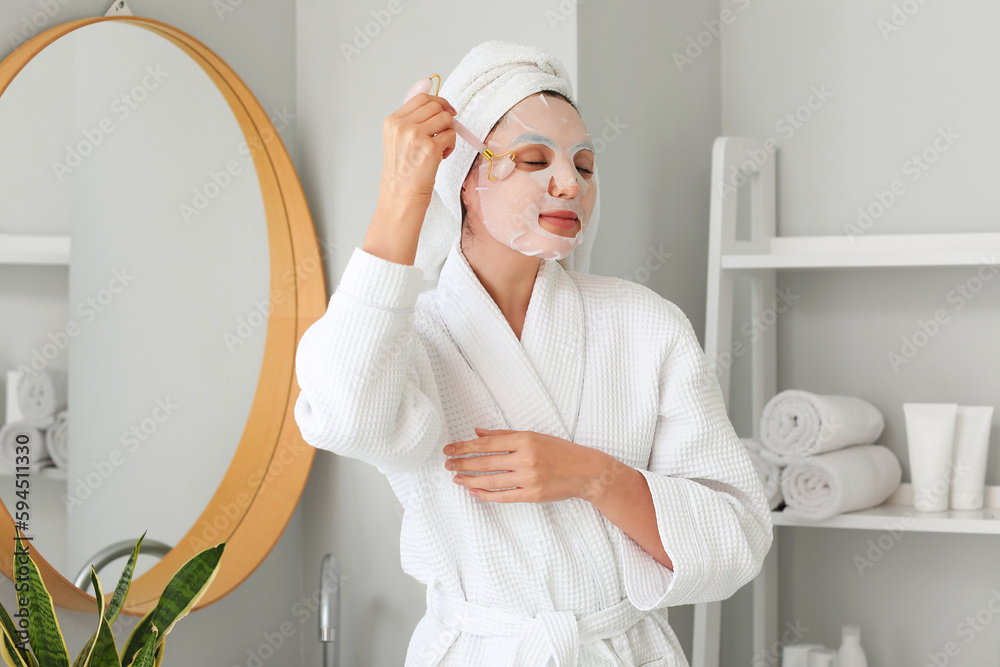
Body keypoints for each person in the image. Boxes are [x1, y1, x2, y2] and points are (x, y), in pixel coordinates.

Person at [294, 40, 772, 667]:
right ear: (463, 180)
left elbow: (735, 537)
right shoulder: (409, 337)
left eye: (585, 164)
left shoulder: (643, 323)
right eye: (532, 158)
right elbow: (342, 414)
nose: (569, 183)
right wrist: (400, 198)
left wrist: (594, 476)